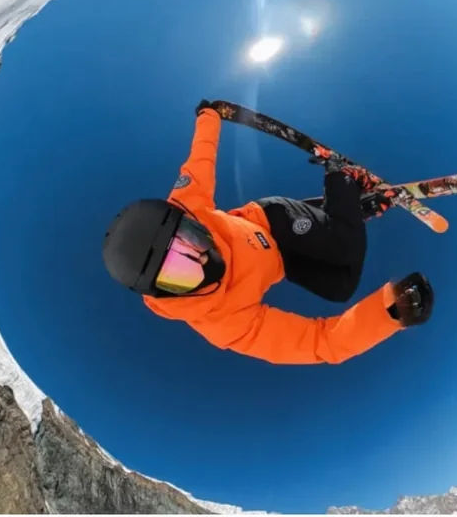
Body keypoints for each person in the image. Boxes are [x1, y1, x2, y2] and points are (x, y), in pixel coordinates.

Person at [102, 101, 434, 365]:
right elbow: (319, 342)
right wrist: (391, 311)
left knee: (344, 246)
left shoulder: (188, 202)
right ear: (166, 294)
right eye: (179, 270)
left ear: (187, 218)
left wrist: (209, 115)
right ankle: (348, 213)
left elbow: (202, 156)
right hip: (282, 260)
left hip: (269, 221)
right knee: (340, 288)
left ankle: (340, 177)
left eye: (191, 238)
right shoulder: (223, 323)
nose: (199, 257)